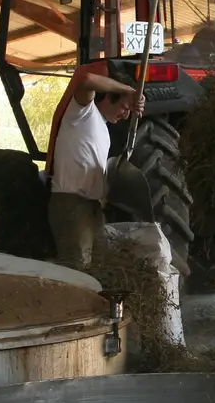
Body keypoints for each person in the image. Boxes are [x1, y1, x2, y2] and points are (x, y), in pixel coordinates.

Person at [48, 70, 144, 269]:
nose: (126, 114)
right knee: (78, 269)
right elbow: (87, 79)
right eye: (124, 107)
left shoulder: (104, 131)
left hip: (93, 207)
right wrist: (130, 90)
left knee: (100, 268)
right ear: (109, 96)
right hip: (71, 204)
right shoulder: (82, 113)